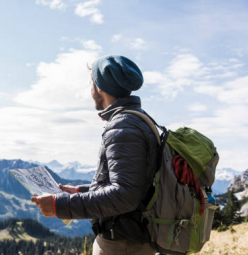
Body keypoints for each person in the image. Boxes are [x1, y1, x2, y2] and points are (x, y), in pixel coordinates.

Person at [31, 55, 158, 255]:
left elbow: (125, 195)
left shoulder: (123, 126)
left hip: (122, 245)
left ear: (99, 87)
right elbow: (135, 185)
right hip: (130, 240)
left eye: (92, 83)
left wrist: (59, 205)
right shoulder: (137, 121)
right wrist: (82, 191)